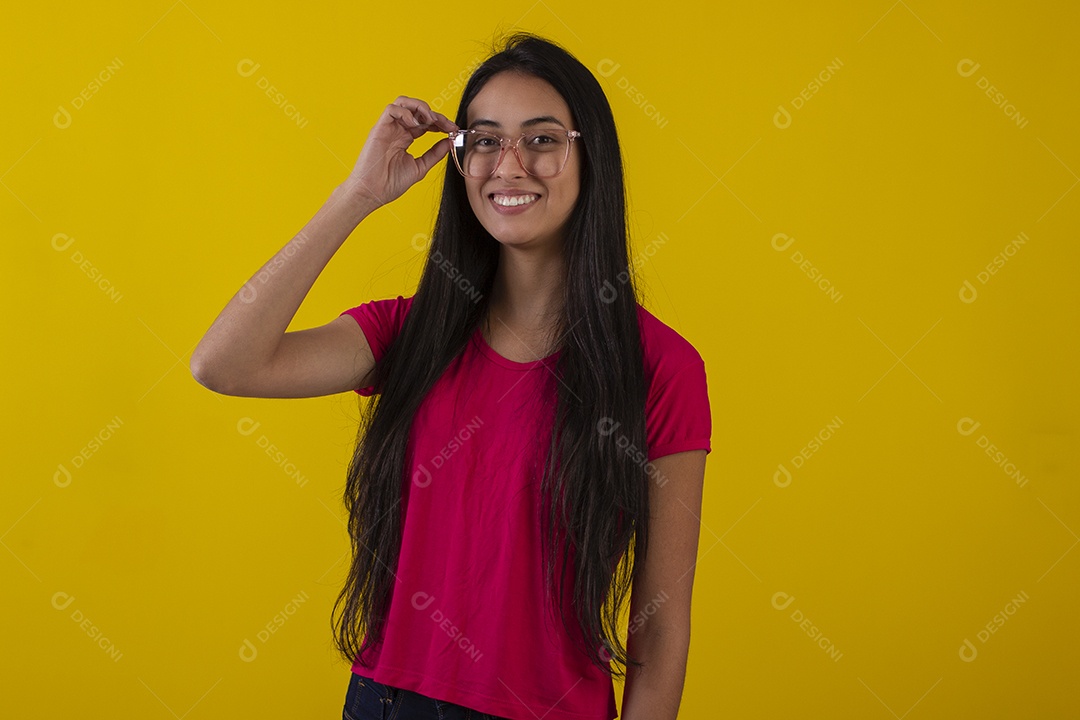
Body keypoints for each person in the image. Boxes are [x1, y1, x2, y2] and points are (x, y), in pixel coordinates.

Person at [191, 32, 711, 720]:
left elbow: (661, 625)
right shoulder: (411, 332)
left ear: (592, 158)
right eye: (485, 141)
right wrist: (356, 195)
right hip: (384, 702)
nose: (509, 165)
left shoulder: (660, 367)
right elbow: (224, 364)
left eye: (542, 140)